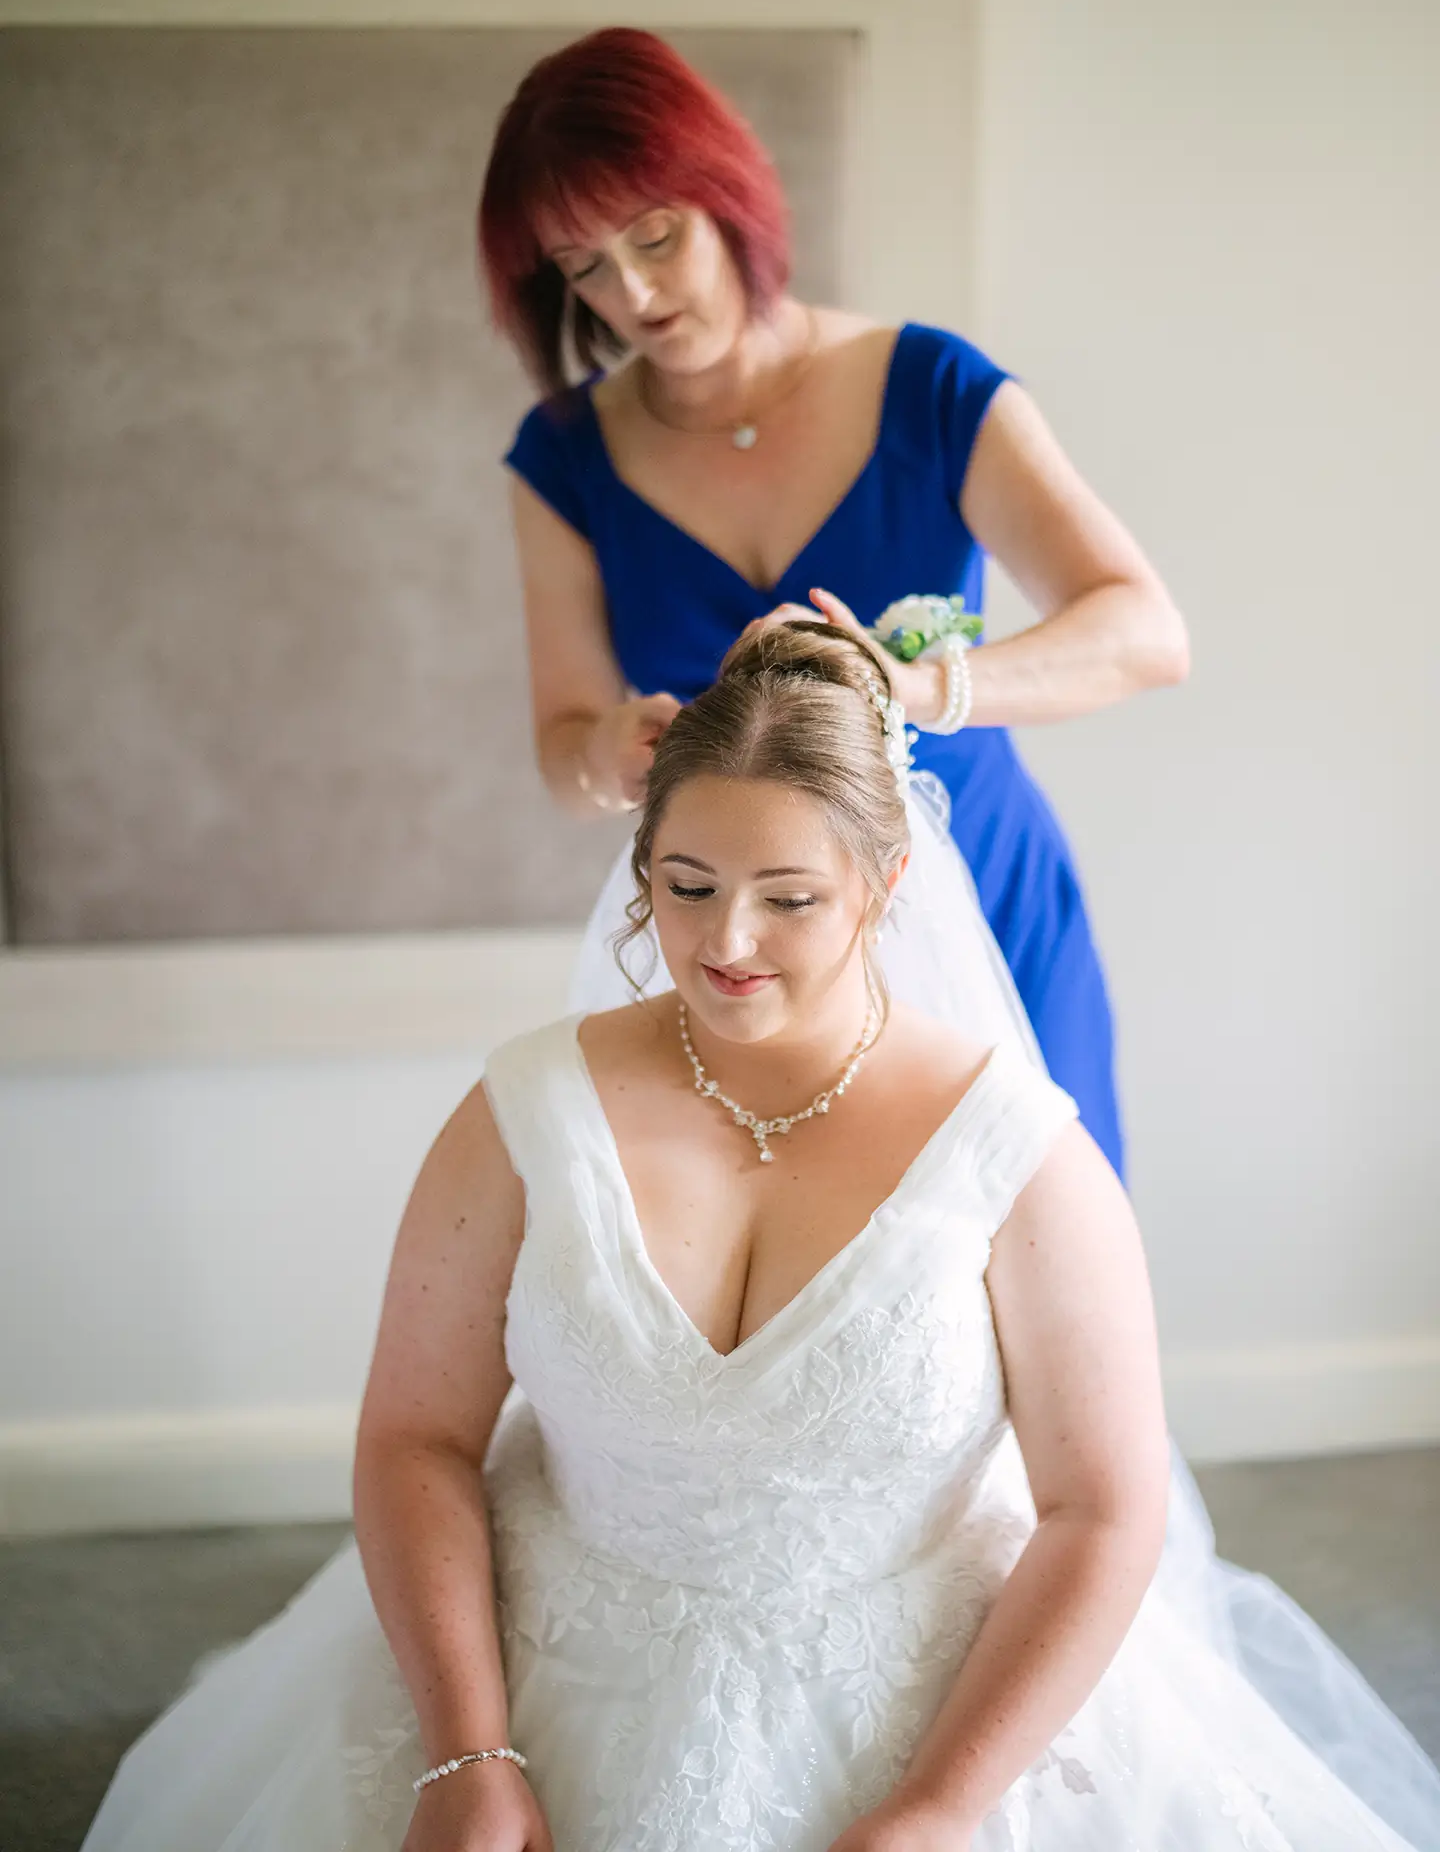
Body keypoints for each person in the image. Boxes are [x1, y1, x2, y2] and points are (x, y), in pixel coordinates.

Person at [79, 624, 1440, 1850]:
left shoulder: (1020, 1155)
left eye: (789, 898)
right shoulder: (524, 1110)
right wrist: (469, 1751)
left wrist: (941, 1807)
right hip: (546, 1668)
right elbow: (414, 1436)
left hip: (930, 1699)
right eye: (686, 885)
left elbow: (1105, 1508)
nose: (727, 942)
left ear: (885, 883)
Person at [483, 25, 1194, 1182]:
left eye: (655, 236)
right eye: (584, 267)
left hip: (988, 893)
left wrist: (923, 688)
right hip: (751, 958)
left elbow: (1146, 632)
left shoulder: (931, 391)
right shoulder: (564, 459)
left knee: (1040, 1237)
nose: (634, 293)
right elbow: (563, 753)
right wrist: (611, 750)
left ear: (725, 194)